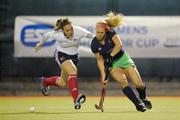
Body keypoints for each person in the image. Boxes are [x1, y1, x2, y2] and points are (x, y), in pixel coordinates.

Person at [91, 12, 152, 112]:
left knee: (138, 84)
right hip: (113, 65)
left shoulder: (111, 33)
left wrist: (110, 56)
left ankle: (143, 97)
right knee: (123, 82)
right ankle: (138, 104)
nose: (99, 35)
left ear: (106, 31)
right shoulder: (94, 44)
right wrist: (103, 74)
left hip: (124, 59)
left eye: (101, 33)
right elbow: (99, 59)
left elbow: (119, 45)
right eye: (97, 32)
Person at [35, 18, 95, 109]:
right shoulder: (58, 34)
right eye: (67, 30)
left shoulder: (78, 31)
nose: (70, 31)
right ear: (62, 30)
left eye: (71, 29)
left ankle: (45, 81)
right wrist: (40, 44)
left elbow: (91, 35)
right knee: (73, 71)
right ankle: (76, 98)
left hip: (74, 57)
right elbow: (46, 35)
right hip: (61, 54)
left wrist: (100, 41)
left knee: (62, 83)